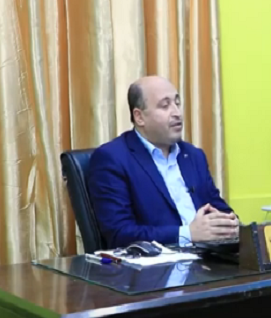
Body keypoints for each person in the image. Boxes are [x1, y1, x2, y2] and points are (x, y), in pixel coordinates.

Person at [88, 76, 239, 249]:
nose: (177, 113)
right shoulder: (112, 159)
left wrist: (231, 224)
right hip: (159, 263)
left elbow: (220, 208)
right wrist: (188, 234)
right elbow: (119, 233)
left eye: (177, 103)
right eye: (165, 106)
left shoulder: (193, 156)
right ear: (139, 117)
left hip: (210, 257)